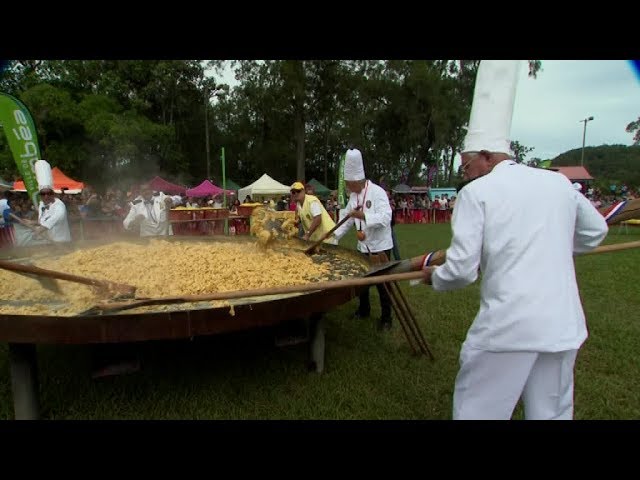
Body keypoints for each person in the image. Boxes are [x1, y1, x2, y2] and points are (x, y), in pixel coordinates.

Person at [421, 60, 609, 420]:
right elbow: (596, 232)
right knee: (552, 414)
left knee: (479, 412)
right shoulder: (557, 182)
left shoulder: (477, 194)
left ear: (487, 157)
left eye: (466, 166)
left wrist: (435, 277)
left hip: (509, 328)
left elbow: (461, 270)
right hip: (562, 324)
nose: (466, 174)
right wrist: (550, 246)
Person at [333, 148, 394, 330]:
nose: (348, 188)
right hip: (362, 246)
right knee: (363, 283)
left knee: (383, 284)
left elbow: (385, 218)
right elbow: (346, 218)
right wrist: (334, 236)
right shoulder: (353, 196)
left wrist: (363, 216)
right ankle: (364, 309)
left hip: (379, 246)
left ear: (357, 180)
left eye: (349, 184)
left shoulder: (377, 193)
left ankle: (386, 318)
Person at [19, 160, 72, 243]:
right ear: (40, 195)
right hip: (49, 242)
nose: (46, 196)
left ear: (53, 194)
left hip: (62, 242)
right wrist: (32, 222)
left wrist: (41, 229)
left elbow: (55, 218)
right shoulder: (41, 205)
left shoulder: (59, 205)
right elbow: (44, 221)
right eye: (43, 194)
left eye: (49, 193)